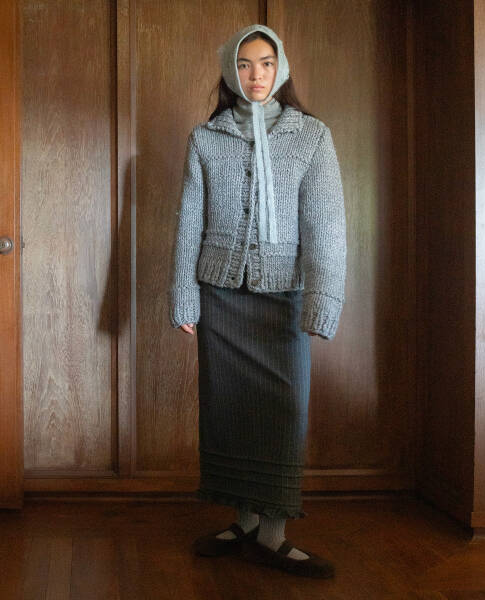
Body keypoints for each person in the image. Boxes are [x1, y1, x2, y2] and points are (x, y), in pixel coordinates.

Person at [169, 24, 346, 578]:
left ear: (281, 68)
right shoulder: (207, 138)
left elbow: (326, 225)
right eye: (244, 64)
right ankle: (244, 522)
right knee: (228, 410)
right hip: (220, 298)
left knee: (280, 413)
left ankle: (274, 535)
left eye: (266, 63)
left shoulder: (311, 137)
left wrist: (322, 300)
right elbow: (189, 222)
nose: (256, 75)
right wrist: (184, 296)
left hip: (282, 299)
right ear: (231, 71)